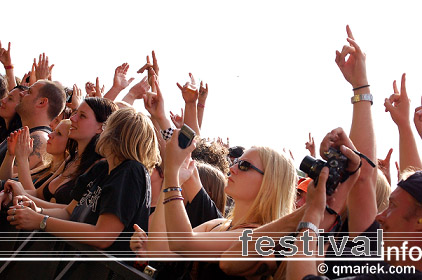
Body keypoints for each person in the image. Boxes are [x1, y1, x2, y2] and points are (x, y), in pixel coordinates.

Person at [6, 107, 160, 257]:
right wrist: (36, 210)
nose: (103, 132)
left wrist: (41, 221)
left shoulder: (131, 171)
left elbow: (102, 236)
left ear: (117, 135)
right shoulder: (102, 168)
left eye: (108, 126)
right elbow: (69, 212)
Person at [146, 128, 297, 279]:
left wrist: (172, 174)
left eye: (244, 165)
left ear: (270, 183)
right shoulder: (218, 225)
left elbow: (183, 243)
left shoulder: (255, 238)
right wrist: (173, 179)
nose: (232, 168)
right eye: (236, 162)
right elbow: (159, 249)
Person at [4, 97, 118, 206]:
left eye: (82, 116)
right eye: (76, 113)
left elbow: (70, 213)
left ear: (101, 127)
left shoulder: (100, 166)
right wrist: (11, 191)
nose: (73, 118)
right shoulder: (73, 158)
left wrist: (22, 159)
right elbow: (38, 194)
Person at [0, 80, 66, 172]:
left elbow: (8, 180)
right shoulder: (23, 132)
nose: (22, 93)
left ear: (42, 102)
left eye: (29, 92)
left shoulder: (39, 139)